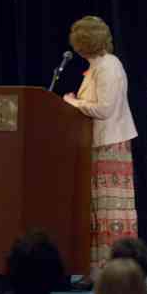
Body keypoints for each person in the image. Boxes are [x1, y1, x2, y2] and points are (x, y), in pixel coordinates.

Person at [63, 16, 138, 277]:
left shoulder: (109, 66)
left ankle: (113, 271)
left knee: (109, 211)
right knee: (97, 211)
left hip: (110, 145)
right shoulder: (96, 66)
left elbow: (104, 109)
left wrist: (73, 103)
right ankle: (95, 270)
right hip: (97, 144)